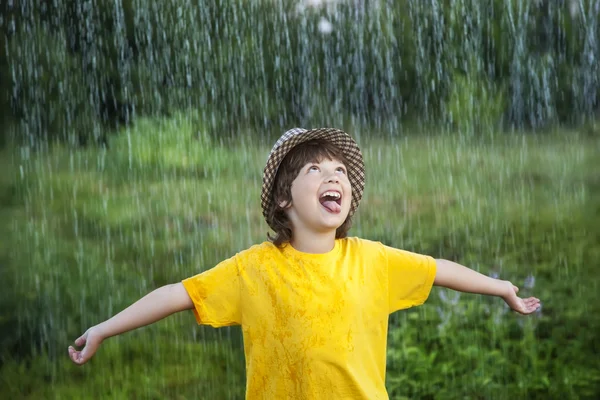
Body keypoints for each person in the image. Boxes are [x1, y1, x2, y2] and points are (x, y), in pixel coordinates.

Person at [68, 127, 541, 399]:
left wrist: (501, 289)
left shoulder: (372, 260)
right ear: (283, 200)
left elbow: (438, 269)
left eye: (338, 171)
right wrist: (105, 328)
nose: (331, 175)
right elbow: (177, 294)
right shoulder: (252, 269)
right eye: (313, 169)